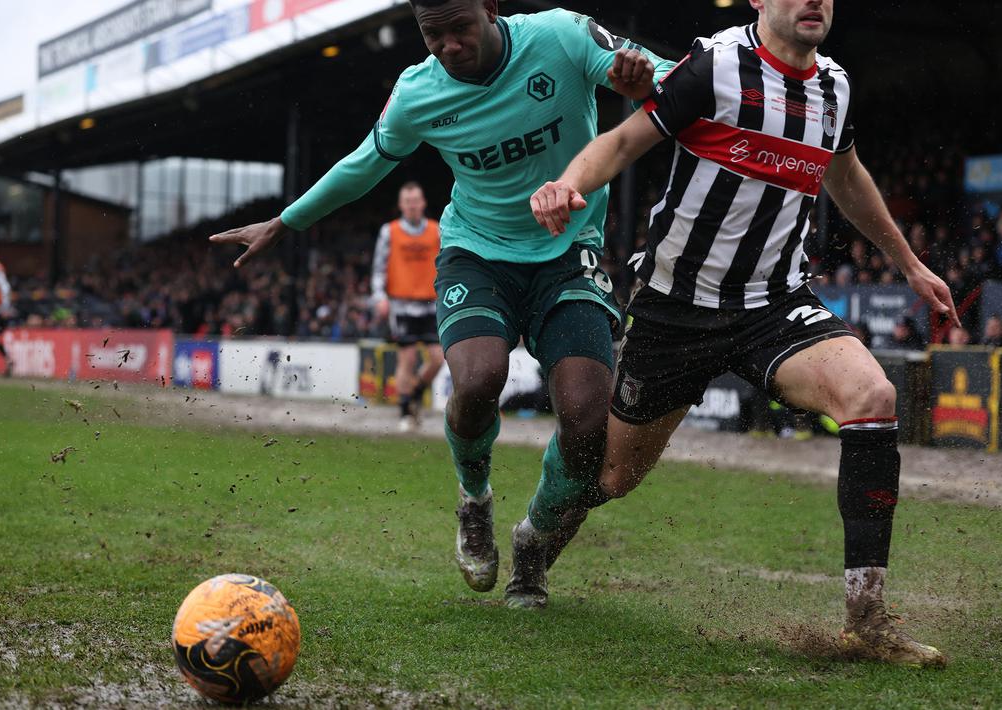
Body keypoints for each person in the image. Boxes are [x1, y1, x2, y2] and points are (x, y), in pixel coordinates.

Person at [530, 0, 954, 666]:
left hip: (773, 302)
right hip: (675, 309)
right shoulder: (713, 68)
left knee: (870, 395)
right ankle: (535, 542)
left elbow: (845, 177)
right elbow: (621, 143)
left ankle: (866, 621)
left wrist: (908, 263)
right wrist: (565, 184)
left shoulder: (834, 87)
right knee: (611, 477)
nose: (813, 1)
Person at [208, 0, 673, 606]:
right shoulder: (416, 92)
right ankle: (473, 498)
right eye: (434, 34)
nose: (449, 46)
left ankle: (535, 541)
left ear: (490, 9)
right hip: (476, 254)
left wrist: (645, 81)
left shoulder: (560, 36)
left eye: (460, 29)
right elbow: (364, 164)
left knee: (587, 422)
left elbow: (669, 75)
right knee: (479, 378)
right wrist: (286, 220)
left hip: (567, 253)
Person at [371, 182, 446, 432]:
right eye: (408, 202)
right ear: (401, 205)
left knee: (438, 358)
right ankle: (405, 412)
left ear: (422, 203)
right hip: (401, 305)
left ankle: (415, 393)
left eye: (416, 201)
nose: (412, 206)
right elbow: (379, 268)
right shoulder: (389, 231)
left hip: (430, 304)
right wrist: (379, 297)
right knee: (408, 358)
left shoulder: (437, 230)